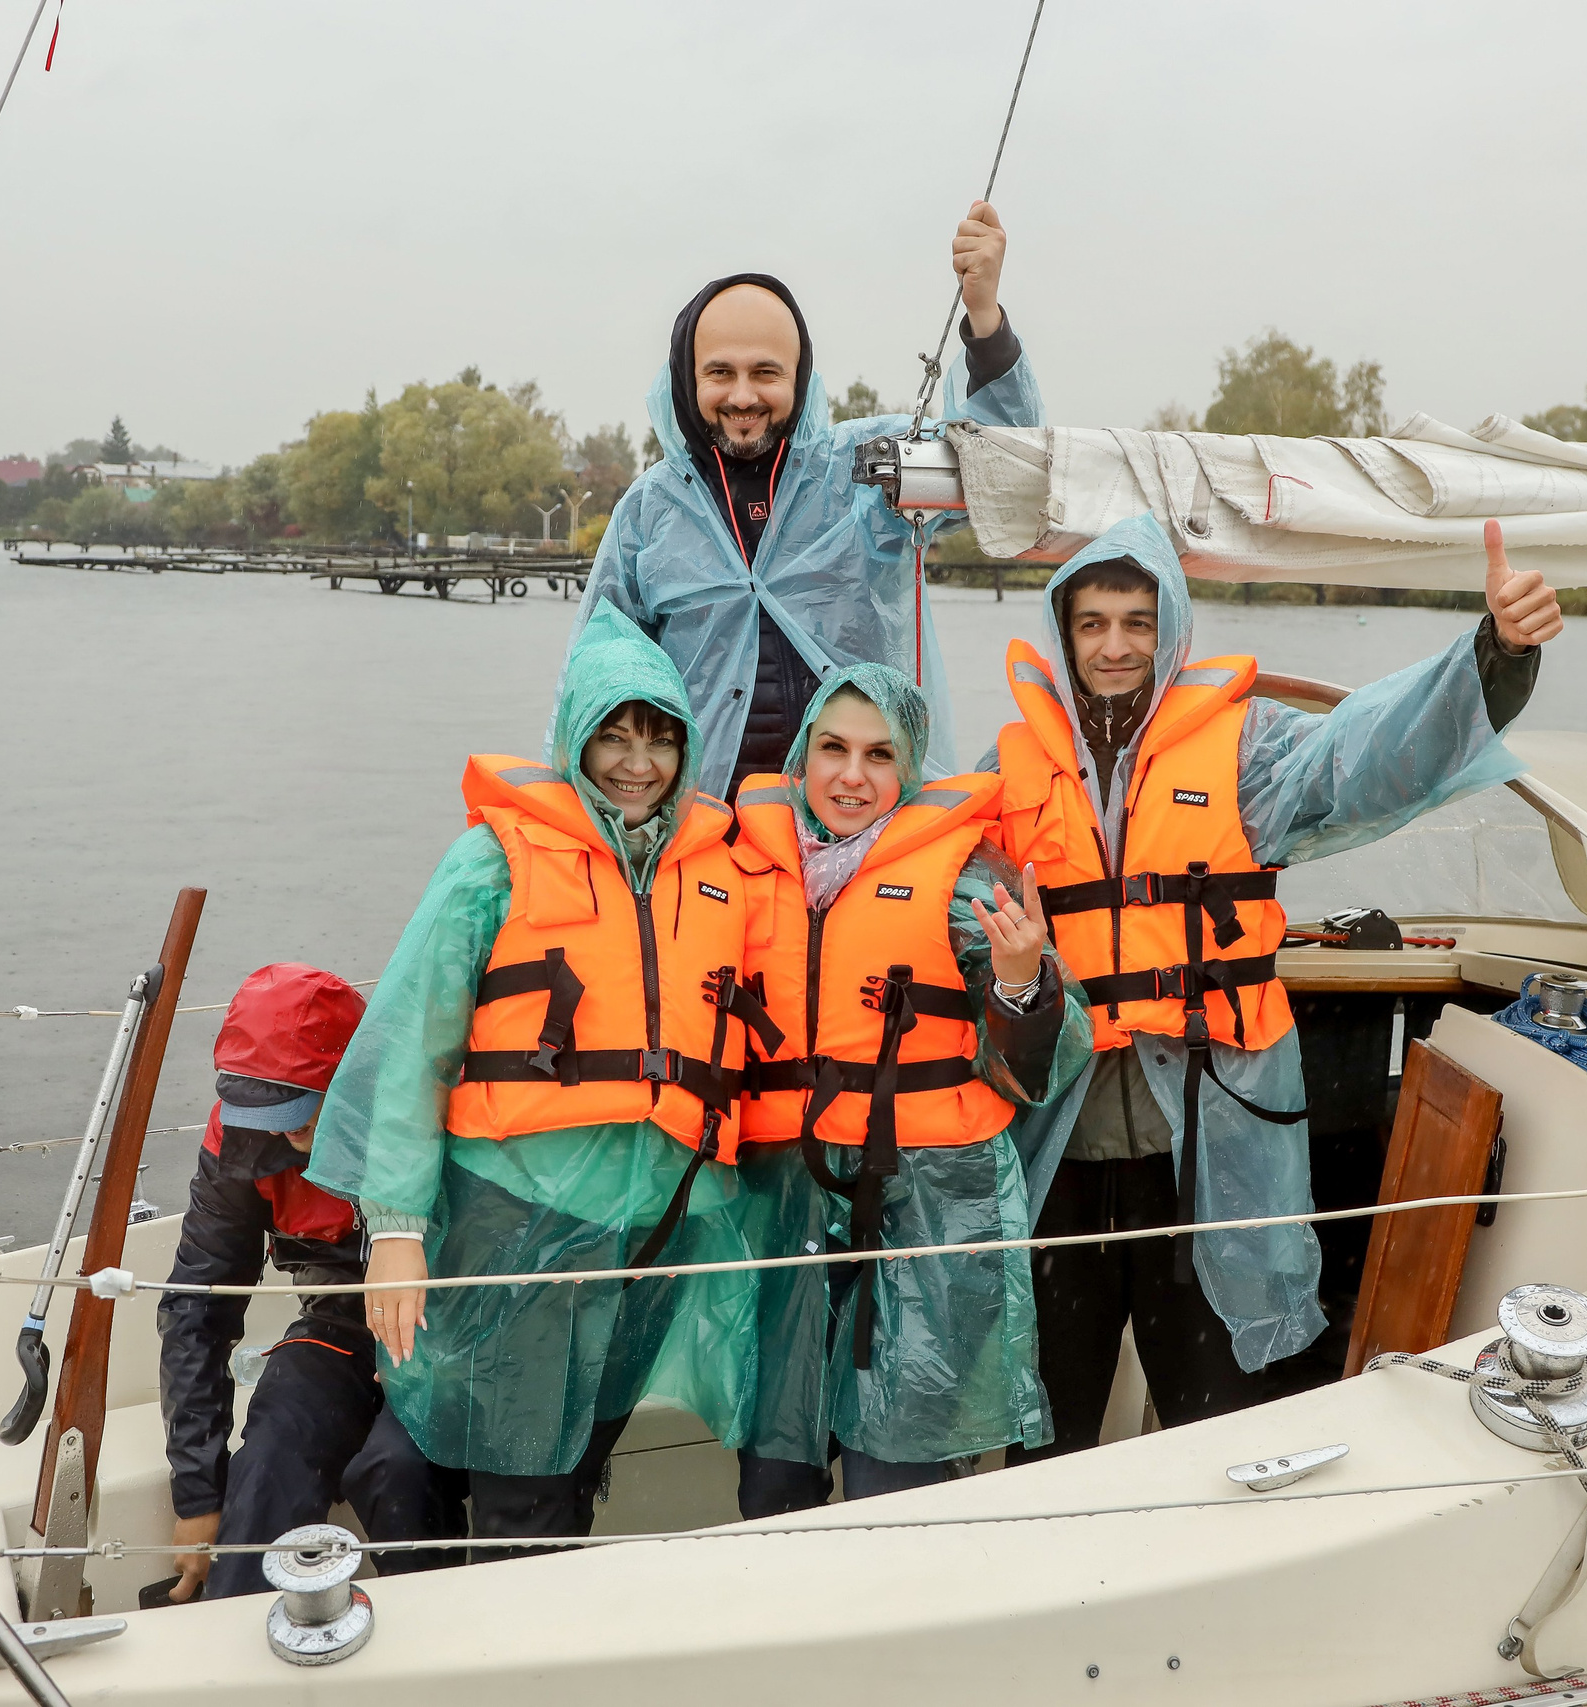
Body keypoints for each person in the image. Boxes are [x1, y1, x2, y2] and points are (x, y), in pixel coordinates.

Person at [990, 515, 1562, 1459]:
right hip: (1067, 1150)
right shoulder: (1011, 771)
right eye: (1093, 624)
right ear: (1065, 634)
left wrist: (1495, 652)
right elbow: (931, 880)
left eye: (1138, 621)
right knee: (1049, 1415)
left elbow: (1367, 753)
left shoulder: (1248, 750)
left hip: (1211, 1142)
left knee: (1215, 1413)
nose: (1116, 645)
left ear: (1170, 628)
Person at [305, 604, 776, 1553]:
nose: (637, 762)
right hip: (520, 1221)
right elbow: (414, 1053)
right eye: (613, 734)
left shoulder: (720, 869)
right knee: (522, 1474)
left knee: (585, 1450)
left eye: (658, 737)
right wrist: (395, 1228)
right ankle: (520, 1631)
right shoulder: (493, 864)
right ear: (573, 739)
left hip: (657, 1225)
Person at [724, 663, 1091, 1510]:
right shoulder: (739, 869)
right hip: (784, 1203)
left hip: (929, 1207)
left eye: (880, 755)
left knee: (899, 1480)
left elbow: (1052, 1054)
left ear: (911, 767)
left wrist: (1016, 979)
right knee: (774, 1475)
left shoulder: (966, 872)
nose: (853, 776)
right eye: (834, 749)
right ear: (802, 758)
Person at [573, 203, 1042, 800]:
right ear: (687, 380)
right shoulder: (648, 514)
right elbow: (594, 685)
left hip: (860, 827)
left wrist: (984, 315)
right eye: (720, 372)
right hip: (703, 843)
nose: (743, 396)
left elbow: (1009, 471)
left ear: (800, 376)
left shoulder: (866, 474)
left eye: (766, 372)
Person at [155, 962, 467, 1603]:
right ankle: (231, 1638)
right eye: (265, 1111)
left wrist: (437, 1354)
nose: (281, 1131)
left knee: (398, 1470)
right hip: (338, 1322)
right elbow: (199, 1304)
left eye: (299, 1112)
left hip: (447, 1330)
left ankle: (444, 1635)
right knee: (270, 1454)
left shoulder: (440, 1108)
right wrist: (196, 1493)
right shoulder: (242, 1139)